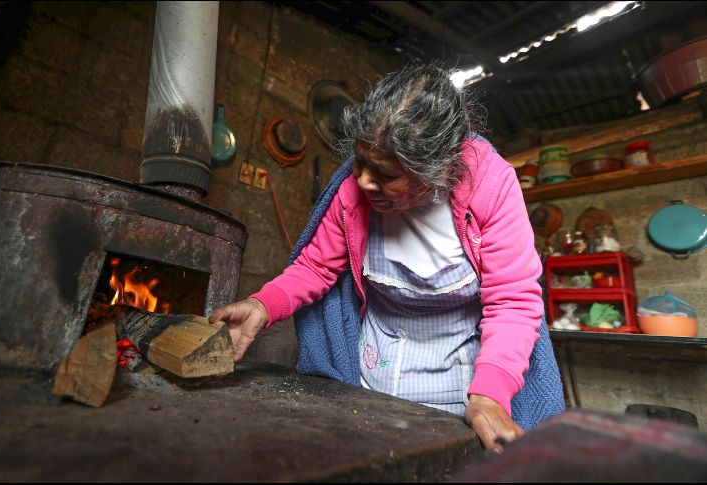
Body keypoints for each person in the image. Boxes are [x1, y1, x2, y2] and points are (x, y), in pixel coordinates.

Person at [210, 62, 564, 451]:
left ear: (437, 170)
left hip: (464, 385)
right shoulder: (352, 194)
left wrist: (490, 397)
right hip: (374, 374)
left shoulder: (490, 186)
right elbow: (315, 266)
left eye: (384, 174)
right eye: (360, 162)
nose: (362, 181)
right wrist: (264, 304)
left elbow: (513, 301)